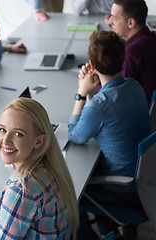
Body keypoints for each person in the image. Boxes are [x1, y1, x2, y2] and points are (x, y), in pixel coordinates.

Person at [68, 30, 150, 238]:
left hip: (122, 189)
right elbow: (98, 115)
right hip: (144, 182)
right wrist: (91, 91)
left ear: (92, 65)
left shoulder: (99, 106)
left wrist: (81, 92)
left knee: (70, 198)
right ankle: (117, 229)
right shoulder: (135, 86)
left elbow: (76, 136)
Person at [0, 97, 79, 239]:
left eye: (18, 134)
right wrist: (1, 205)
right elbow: (33, 208)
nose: (5, 140)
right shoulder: (48, 166)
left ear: (38, 141)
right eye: (2, 130)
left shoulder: (21, 189)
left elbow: (24, 197)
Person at [107, 0, 156, 106]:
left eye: (114, 18)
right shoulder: (152, 37)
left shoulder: (131, 52)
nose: (109, 21)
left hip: (137, 114)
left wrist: (97, 79)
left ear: (130, 23)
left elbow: (117, 98)